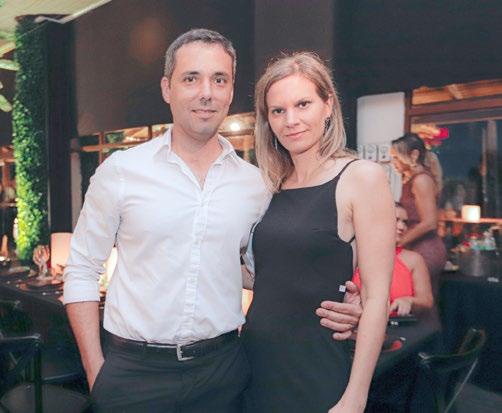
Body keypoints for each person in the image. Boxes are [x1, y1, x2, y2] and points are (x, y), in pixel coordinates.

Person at [64, 29, 360, 413]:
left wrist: (338, 296)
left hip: (224, 373)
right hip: (134, 374)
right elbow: (82, 269)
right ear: (167, 88)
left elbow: (265, 271)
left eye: (219, 80)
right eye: (191, 78)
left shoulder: (256, 184)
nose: (207, 92)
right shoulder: (121, 171)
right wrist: (96, 372)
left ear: (231, 91)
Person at [240, 52, 395, 413]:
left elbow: (376, 299)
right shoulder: (271, 186)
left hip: (315, 371)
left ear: (328, 105)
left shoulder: (361, 177)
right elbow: (269, 277)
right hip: (253, 366)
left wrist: (355, 398)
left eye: (303, 104)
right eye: (278, 111)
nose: (290, 120)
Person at [390, 133, 447, 297]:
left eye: (396, 157)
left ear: (414, 155)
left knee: (419, 299)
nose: (393, 162)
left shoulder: (421, 180)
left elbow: (429, 223)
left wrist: (398, 242)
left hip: (426, 249)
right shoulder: (410, 179)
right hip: (415, 247)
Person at [352, 202, 433, 316]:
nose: (402, 227)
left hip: (397, 323)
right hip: (358, 321)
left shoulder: (413, 259)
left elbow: (426, 301)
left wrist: (409, 301)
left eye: (405, 222)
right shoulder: (357, 254)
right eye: (396, 220)